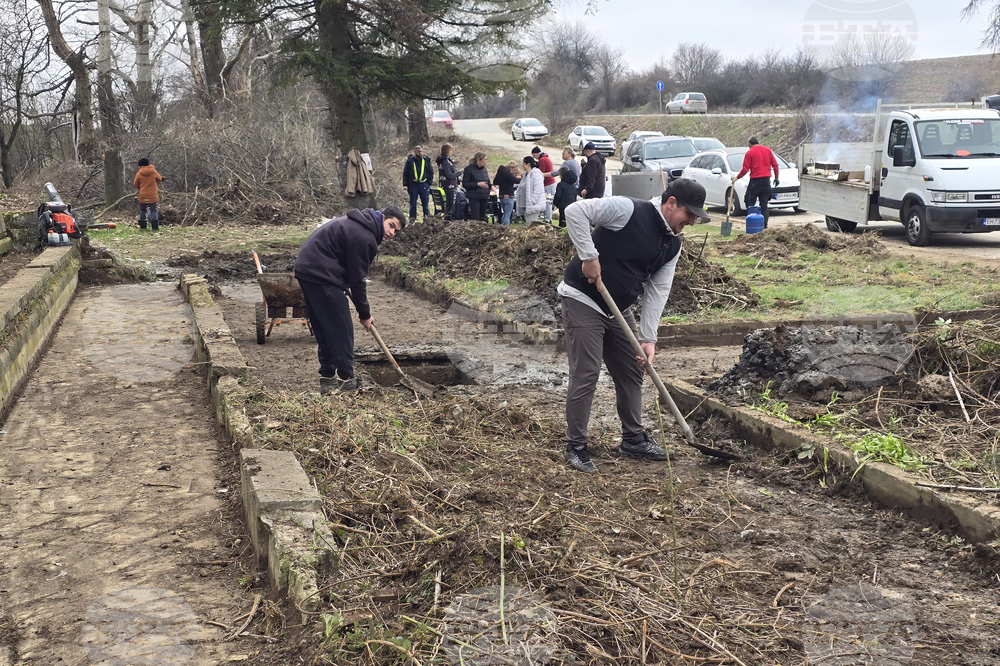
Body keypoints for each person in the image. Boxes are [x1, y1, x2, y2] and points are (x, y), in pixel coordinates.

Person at [558, 179, 711, 473]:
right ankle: (576, 445)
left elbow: (657, 291)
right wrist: (588, 256)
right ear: (671, 203)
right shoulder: (627, 209)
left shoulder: (673, 244)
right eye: (688, 213)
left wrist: (648, 338)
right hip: (584, 297)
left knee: (632, 370)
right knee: (587, 372)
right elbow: (575, 211)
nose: (691, 220)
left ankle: (633, 439)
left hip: (619, 307)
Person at [294, 206, 406, 395]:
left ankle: (327, 377)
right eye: (391, 226)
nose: (392, 233)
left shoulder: (359, 226)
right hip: (321, 273)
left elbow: (350, 274)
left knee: (324, 326)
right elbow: (358, 281)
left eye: (396, 231)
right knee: (341, 328)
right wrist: (365, 314)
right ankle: (347, 381)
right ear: (383, 217)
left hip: (308, 270)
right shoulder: (364, 237)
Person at [734, 136, 780, 228]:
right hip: (766, 181)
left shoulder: (750, 152)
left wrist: (737, 177)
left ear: (750, 144)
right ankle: (764, 225)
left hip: (755, 181)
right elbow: (775, 165)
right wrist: (776, 177)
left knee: (749, 202)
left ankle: (753, 223)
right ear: (758, 143)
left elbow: (745, 169)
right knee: (764, 204)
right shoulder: (768, 151)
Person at [403, 145, 434, 223]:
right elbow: (405, 173)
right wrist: (405, 184)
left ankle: (426, 219)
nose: (420, 153)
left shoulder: (426, 160)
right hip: (414, 185)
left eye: (421, 151)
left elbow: (431, 171)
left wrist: (429, 183)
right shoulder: (410, 161)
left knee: (425, 203)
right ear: (414, 152)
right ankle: (412, 219)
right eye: (418, 152)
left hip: (424, 184)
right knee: (413, 204)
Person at [133, 157, 164, 231]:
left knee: (143, 209)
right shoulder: (154, 172)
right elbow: (159, 179)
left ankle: (143, 225)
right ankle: (155, 227)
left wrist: (141, 188)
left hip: (143, 194)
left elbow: (136, 184)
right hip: (153, 194)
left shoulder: (139, 173)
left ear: (140, 166)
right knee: (153, 209)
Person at [462, 151, 491, 221]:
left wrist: (491, 186)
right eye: (485, 159)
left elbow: (487, 180)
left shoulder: (484, 169)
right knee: (475, 217)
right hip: (474, 196)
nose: (486, 161)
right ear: (479, 160)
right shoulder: (469, 169)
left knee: (482, 217)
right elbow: (465, 184)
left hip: (484, 196)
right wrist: (477, 184)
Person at [531, 146, 556, 223]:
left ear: (536, 153)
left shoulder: (542, 159)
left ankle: (548, 218)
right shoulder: (545, 158)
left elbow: (542, 172)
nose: (533, 157)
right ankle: (548, 216)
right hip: (551, 182)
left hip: (548, 183)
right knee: (548, 201)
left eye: (533, 155)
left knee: (547, 200)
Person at [518, 156, 546, 225]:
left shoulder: (536, 174)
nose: (522, 165)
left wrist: (532, 201)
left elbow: (538, 189)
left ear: (528, 164)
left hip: (533, 206)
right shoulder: (525, 175)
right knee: (527, 224)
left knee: (531, 225)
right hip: (525, 205)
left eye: (524, 163)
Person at [493, 160, 520, 226]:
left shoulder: (500, 172)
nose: (515, 171)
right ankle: (505, 228)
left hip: (502, 195)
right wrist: (519, 177)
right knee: (507, 214)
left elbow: (495, 182)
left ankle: (501, 226)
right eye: (515, 169)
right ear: (511, 168)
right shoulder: (508, 173)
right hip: (509, 194)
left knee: (505, 213)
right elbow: (516, 181)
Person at [436, 144, 459, 220]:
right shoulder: (445, 162)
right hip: (449, 186)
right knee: (450, 206)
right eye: (451, 150)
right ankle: (449, 220)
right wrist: (459, 173)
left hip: (448, 186)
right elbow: (449, 175)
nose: (451, 152)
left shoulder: (445, 161)